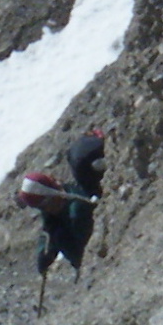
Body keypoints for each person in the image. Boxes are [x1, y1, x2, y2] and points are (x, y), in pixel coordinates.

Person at [34, 130, 104, 304]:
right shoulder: (61, 202)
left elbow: (82, 253)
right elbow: (47, 228)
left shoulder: (77, 210)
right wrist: (45, 253)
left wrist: (59, 239)